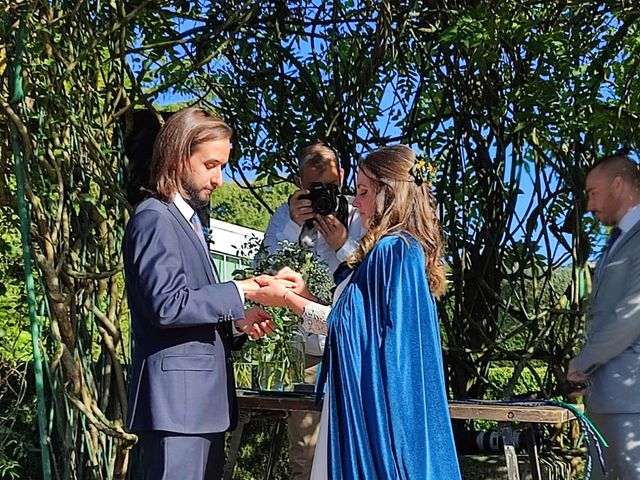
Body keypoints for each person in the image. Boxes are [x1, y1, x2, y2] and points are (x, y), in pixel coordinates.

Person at [248, 145, 462, 479]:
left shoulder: (391, 251)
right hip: (367, 393)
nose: (355, 201)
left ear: (389, 195)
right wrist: (302, 293)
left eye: (363, 192)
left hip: (374, 405)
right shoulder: (400, 248)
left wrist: (288, 301)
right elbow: (358, 319)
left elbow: (347, 329)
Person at [123, 107, 274, 480]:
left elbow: (188, 306)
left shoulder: (188, 223)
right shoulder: (154, 219)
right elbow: (167, 306)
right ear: (177, 157)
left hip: (197, 409)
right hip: (177, 411)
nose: (219, 179)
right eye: (210, 165)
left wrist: (237, 324)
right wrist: (241, 288)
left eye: (221, 166)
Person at [261, 141, 364, 479]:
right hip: (306, 348)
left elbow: (371, 279)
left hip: (351, 347)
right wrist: (292, 223)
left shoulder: (360, 213)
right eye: (314, 188)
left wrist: (344, 244)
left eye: (331, 187)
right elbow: (265, 270)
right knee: (304, 450)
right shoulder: (286, 214)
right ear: (299, 183)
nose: (323, 195)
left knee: (353, 444)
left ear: (343, 177)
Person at [568, 152, 640, 479]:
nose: (589, 205)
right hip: (608, 402)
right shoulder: (620, 240)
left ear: (618, 185)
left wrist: (584, 363)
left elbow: (631, 316)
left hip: (632, 406)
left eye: (593, 192)